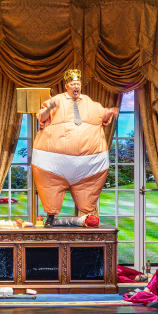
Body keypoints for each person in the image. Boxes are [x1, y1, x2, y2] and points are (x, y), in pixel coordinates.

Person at [32, 68, 118, 225]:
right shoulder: (56, 100)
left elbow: (102, 116)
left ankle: (88, 217)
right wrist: (49, 108)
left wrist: (110, 113)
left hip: (88, 162)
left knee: (88, 190)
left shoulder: (89, 102)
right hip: (55, 161)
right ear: (67, 86)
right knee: (51, 186)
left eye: (78, 83)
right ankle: (51, 216)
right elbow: (42, 117)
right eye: (73, 84)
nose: (76, 86)